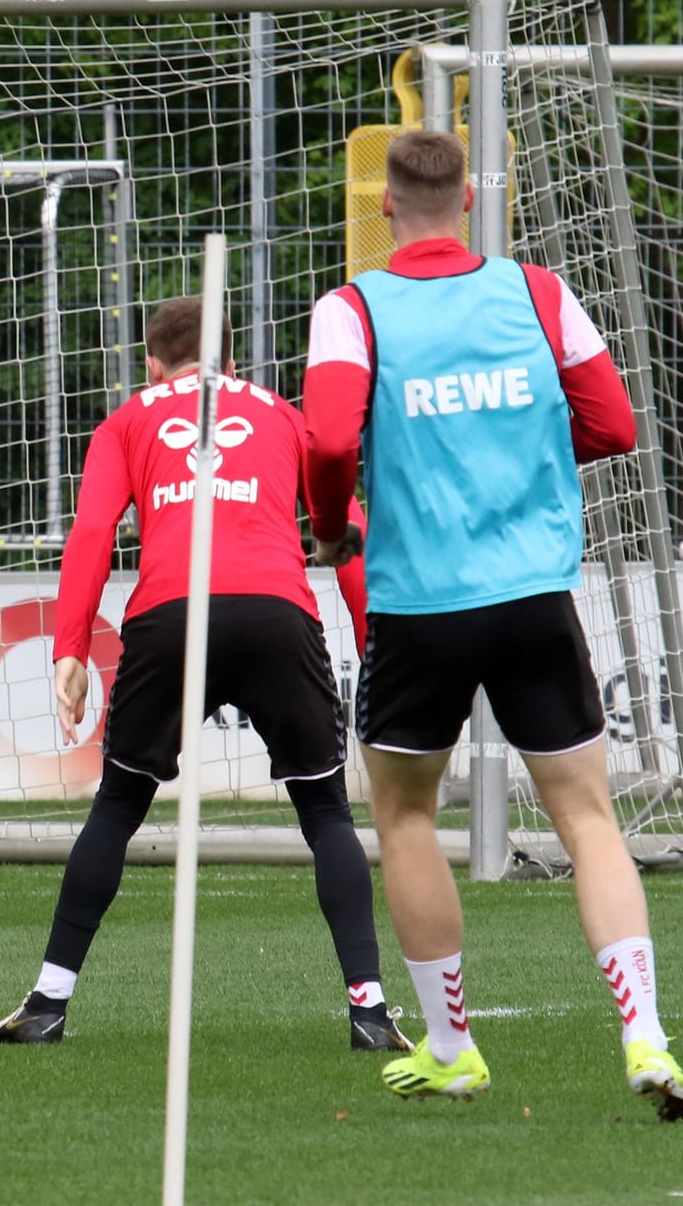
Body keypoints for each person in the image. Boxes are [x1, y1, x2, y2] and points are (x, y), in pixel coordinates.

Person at [304, 128, 681, 1118]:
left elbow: (332, 435)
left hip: (421, 602)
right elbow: (614, 426)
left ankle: (454, 1045)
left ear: (387, 205)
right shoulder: (539, 292)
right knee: (590, 816)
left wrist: (332, 518)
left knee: (407, 814)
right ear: (468, 198)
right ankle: (645, 1029)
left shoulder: (353, 309)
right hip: (533, 593)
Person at [0, 296, 406, 1052]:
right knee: (327, 814)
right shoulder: (281, 413)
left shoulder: (129, 418)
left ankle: (49, 1002)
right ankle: (370, 1012)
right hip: (278, 612)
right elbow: (347, 533)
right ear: (234, 360)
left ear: (152, 362)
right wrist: (378, 641)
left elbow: (91, 534)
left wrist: (70, 650)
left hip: (170, 614)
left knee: (116, 807)